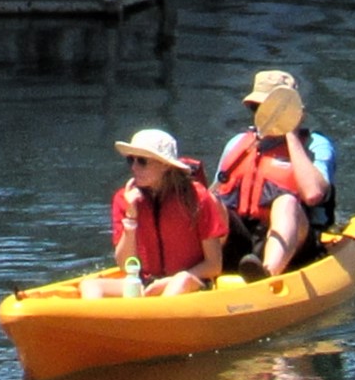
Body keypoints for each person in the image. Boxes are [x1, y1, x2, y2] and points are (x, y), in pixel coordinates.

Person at [214, 69, 336, 280]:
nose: (264, 116)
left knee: (286, 202)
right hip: (241, 238)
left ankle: (267, 273)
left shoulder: (316, 145)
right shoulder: (237, 144)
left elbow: (313, 194)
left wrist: (289, 131)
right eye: (257, 108)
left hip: (296, 243)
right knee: (213, 203)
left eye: (272, 110)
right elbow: (211, 198)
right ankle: (204, 269)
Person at [107, 128, 227, 296]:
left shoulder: (197, 197)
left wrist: (170, 281)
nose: (134, 167)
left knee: (180, 281)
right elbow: (125, 266)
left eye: (142, 161)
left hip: (191, 282)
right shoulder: (124, 199)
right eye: (130, 160)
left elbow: (214, 266)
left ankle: (155, 316)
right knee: (90, 287)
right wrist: (131, 218)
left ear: (164, 165)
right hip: (146, 283)